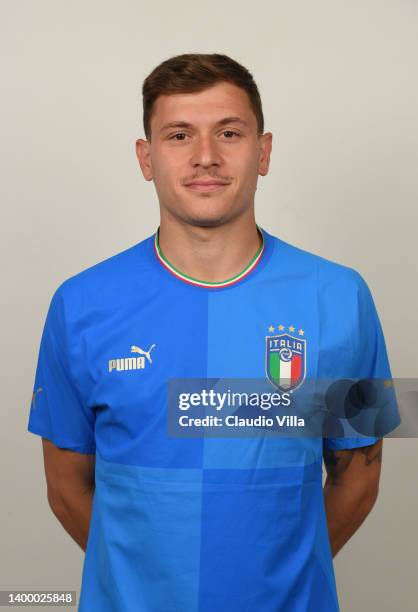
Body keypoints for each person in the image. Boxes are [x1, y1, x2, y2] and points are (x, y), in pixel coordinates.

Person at [27, 53, 400, 611]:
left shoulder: (343, 297)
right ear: (146, 158)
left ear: (264, 151)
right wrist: (150, 585)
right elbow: (65, 489)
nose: (206, 156)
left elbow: (359, 477)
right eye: (179, 135)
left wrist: (273, 579)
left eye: (229, 132)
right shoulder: (79, 304)